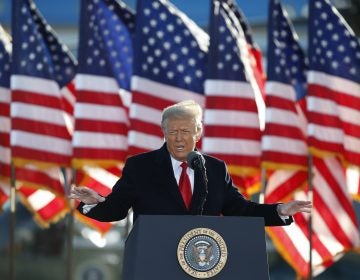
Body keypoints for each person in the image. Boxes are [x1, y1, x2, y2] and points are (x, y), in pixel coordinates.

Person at [70, 100, 312, 226]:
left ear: (198, 132)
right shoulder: (140, 167)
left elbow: (240, 210)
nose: (178, 138)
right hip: (155, 262)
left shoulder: (215, 169)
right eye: (171, 131)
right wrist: (95, 203)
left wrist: (280, 210)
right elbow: (117, 209)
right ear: (163, 131)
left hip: (203, 262)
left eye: (185, 131)